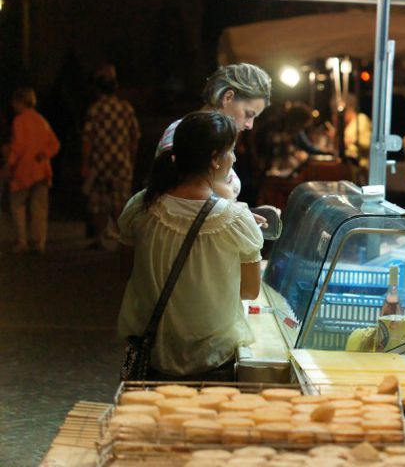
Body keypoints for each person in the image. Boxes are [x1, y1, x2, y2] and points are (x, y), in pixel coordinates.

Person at [118, 111, 263, 379]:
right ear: (214, 158)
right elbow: (250, 290)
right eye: (230, 151)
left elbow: (128, 268)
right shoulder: (237, 220)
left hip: (151, 353)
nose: (234, 158)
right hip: (211, 358)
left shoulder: (140, 206)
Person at [157, 63, 272, 202]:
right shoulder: (182, 134)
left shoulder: (217, 138)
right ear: (227, 97)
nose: (250, 125)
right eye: (248, 114)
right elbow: (177, 201)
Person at [82, 64, 140, 249]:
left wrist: (85, 162)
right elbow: (135, 136)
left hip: (100, 163)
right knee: (120, 202)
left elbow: (88, 139)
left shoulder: (95, 109)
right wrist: (131, 158)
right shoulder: (126, 108)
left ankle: (99, 238)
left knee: (98, 203)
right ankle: (124, 238)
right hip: (121, 162)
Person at [4, 87, 61, 254]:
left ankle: (22, 241)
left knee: (17, 205)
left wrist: (9, 165)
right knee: (39, 208)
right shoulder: (41, 120)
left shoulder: (20, 121)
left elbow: (18, 147)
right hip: (42, 170)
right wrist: (45, 154)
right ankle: (39, 242)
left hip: (24, 170)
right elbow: (55, 144)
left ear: (20, 102)